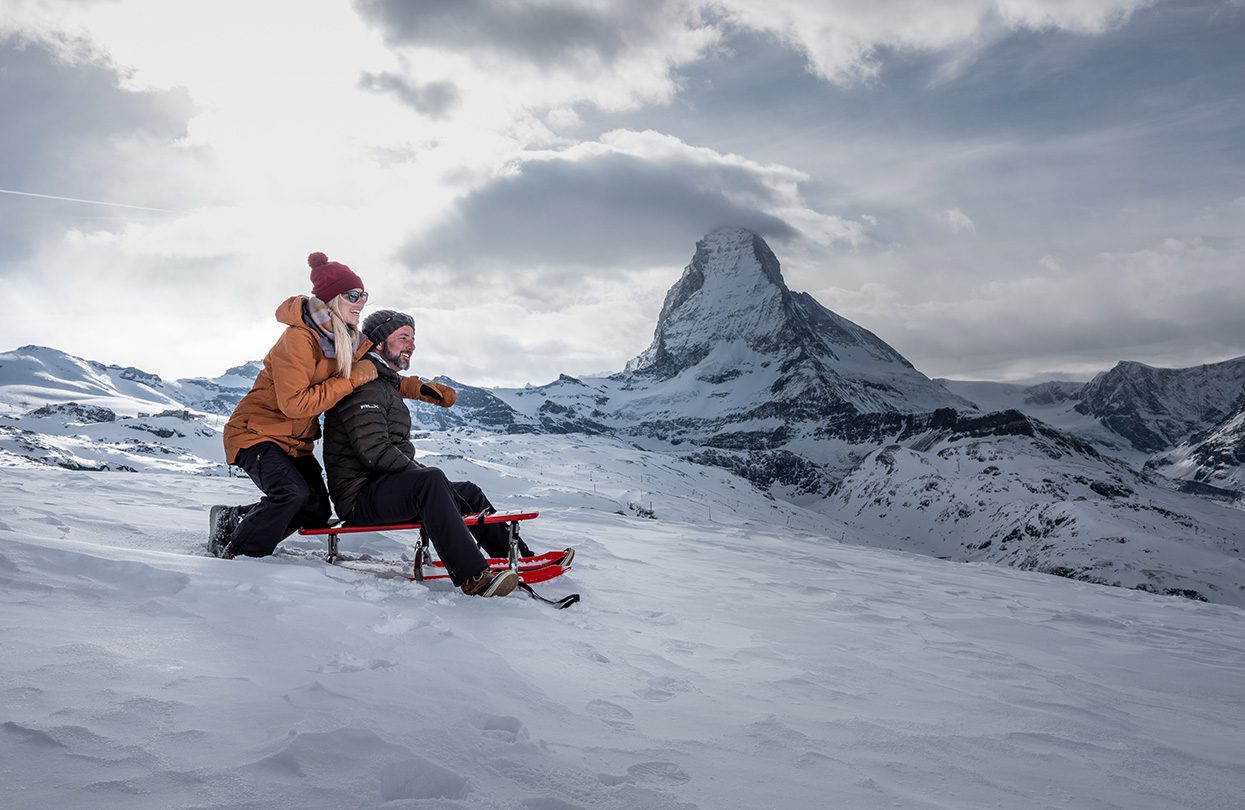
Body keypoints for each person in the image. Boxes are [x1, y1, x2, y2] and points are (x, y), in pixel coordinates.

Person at [208, 252, 452, 559]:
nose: (361, 301)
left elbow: (376, 372)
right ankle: (238, 557)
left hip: (295, 443)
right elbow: (295, 404)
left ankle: (234, 519)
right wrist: (350, 381)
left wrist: (421, 388)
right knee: (291, 495)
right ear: (331, 298)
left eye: (363, 294)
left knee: (315, 511)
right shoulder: (298, 340)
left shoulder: (347, 340)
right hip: (256, 434)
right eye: (353, 294)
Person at [321, 309, 533, 597]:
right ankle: (474, 577)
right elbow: (373, 452)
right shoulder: (363, 386)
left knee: (467, 491)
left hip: (381, 487)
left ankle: (523, 561)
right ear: (379, 343)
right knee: (431, 481)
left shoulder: (384, 383)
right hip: (359, 497)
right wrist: (425, 478)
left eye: (413, 338)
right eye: (403, 337)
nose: (412, 345)